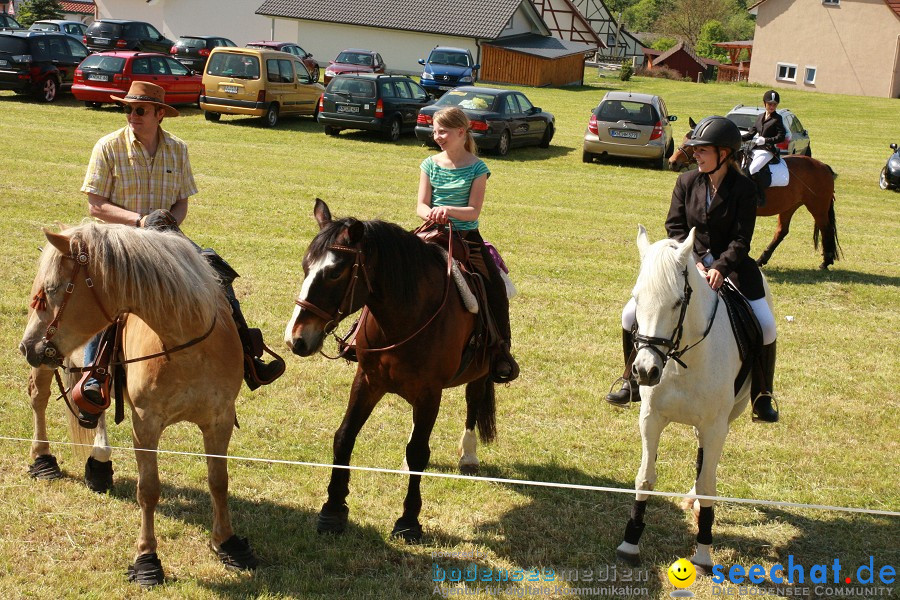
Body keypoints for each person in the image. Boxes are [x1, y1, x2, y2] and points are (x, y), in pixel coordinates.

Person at [78, 81, 283, 416]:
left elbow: (182, 201)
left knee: (216, 271)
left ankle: (248, 356)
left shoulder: (178, 149)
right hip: (120, 242)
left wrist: (170, 222)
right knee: (105, 296)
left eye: (140, 109)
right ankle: (94, 374)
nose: (132, 115)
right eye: (129, 108)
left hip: (166, 239)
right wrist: (141, 222)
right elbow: (96, 206)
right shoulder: (108, 147)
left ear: (160, 114)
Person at [606, 116, 778, 423]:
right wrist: (695, 260)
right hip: (685, 263)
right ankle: (630, 380)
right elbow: (674, 227)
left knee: (766, 324)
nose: (694, 154)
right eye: (694, 150)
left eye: (702, 150)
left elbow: (741, 238)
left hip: (733, 267)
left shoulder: (744, 189)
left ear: (724, 154)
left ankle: (762, 395)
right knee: (629, 314)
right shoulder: (686, 182)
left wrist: (721, 267)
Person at [416, 107, 519, 383]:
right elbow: (421, 206)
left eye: (443, 131)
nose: (437, 136)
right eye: (435, 131)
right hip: (431, 232)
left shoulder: (478, 168)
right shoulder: (429, 164)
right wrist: (433, 214)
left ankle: (501, 350)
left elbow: (473, 212)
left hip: (466, 238)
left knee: (494, 286)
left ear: (461, 132)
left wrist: (446, 210)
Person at [741, 89, 786, 207]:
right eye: (770, 104)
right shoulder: (759, 117)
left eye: (774, 104)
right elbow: (751, 134)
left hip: (768, 150)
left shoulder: (777, 119)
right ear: (764, 104)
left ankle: (761, 196)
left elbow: (781, 136)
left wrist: (766, 140)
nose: (772, 106)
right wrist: (739, 138)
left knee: (753, 169)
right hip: (756, 148)